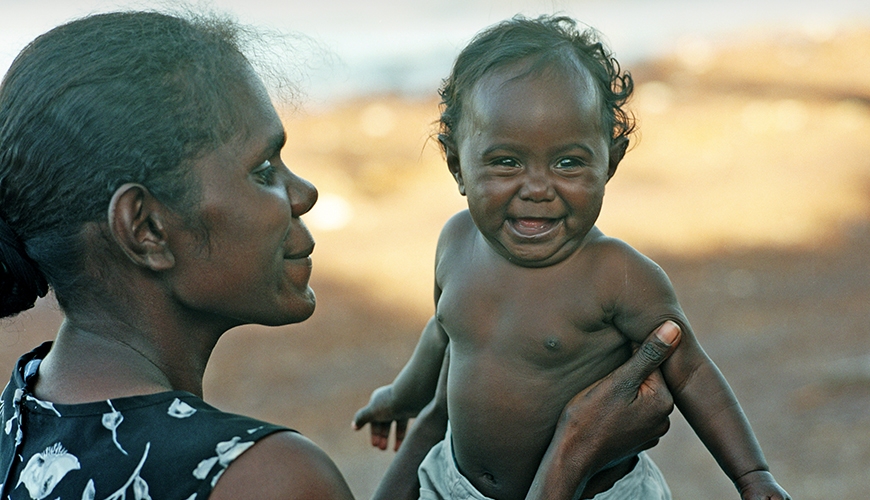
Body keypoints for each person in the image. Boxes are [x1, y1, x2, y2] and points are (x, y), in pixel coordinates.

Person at [0, 10, 680, 500]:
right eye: (264, 168)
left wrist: (438, 425)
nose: (305, 192)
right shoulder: (263, 479)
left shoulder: (22, 418)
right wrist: (573, 453)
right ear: (145, 228)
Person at [353, 15, 791, 500]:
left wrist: (752, 476)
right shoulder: (456, 242)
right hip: (453, 482)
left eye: (568, 162)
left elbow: (690, 372)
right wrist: (397, 398)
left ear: (610, 163)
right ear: (457, 164)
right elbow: (443, 335)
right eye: (506, 162)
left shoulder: (618, 275)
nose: (538, 188)